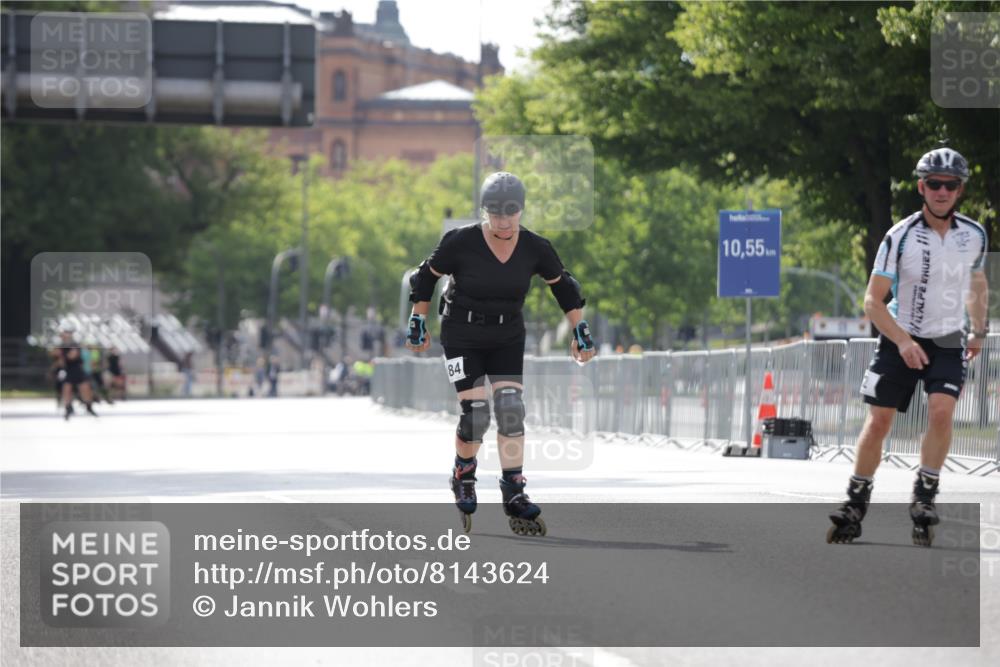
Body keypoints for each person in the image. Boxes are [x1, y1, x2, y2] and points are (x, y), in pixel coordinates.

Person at [406, 171, 598, 535]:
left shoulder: (535, 247)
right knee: (477, 414)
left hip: (507, 334)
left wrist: (579, 329)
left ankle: (514, 490)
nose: (503, 222)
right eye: (495, 214)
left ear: (521, 211)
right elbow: (426, 276)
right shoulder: (459, 242)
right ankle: (463, 473)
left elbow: (565, 288)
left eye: (510, 213)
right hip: (462, 333)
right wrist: (418, 319)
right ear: (485, 212)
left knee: (511, 410)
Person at [828, 146, 989, 547]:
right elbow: (872, 301)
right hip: (901, 335)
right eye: (934, 183)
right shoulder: (898, 236)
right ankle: (856, 500)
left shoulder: (974, 235)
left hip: (949, 339)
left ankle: (924, 496)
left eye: (950, 185)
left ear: (960, 191)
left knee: (940, 413)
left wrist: (979, 331)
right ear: (921, 186)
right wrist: (901, 341)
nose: (941, 191)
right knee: (880, 421)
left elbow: (977, 285)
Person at [55, 329, 98, 420]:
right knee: (66, 389)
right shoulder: (62, 346)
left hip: (77, 369)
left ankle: (89, 407)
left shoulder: (73, 344)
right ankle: (68, 408)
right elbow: (60, 359)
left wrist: (63, 355)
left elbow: (73, 355)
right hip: (68, 370)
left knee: (85, 390)